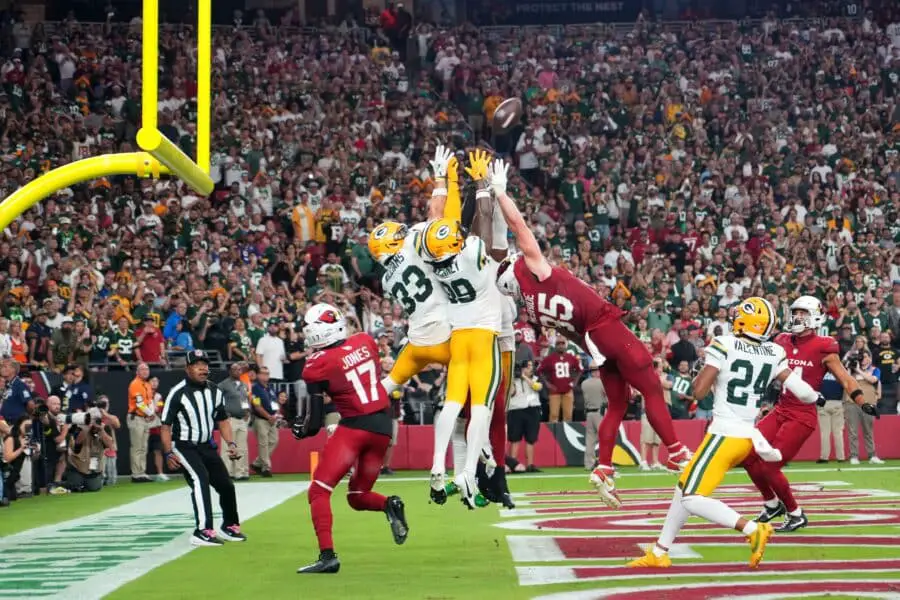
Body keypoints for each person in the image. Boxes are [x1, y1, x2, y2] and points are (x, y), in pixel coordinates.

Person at [489, 160, 691, 508]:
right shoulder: (535, 272)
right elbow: (518, 225)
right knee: (651, 387)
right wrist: (500, 193)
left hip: (592, 342)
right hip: (605, 329)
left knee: (618, 404)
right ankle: (676, 452)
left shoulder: (531, 308)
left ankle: (604, 466)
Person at [627, 297, 820, 570]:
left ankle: (752, 529)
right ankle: (660, 551)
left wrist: (703, 372)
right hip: (747, 435)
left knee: (692, 497)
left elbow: (698, 392)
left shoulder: (725, 344)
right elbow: (805, 393)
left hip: (724, 434)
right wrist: (818, 397)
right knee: (684, 487)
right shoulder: (774, 352)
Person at [292, 303, 408, 574]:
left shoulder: (316, 364)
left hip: (355, 427)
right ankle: (389, 504)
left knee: (319, 490)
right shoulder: (365, 341)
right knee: (357, 496)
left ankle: (327, 556)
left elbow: (314, 422)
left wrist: (301, 430)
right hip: (382, 427)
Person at [745, 296, 877, 533]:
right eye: (795, 312)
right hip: (780, 408)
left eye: (803, 313)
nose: (797, 317)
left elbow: (845, 378)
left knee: (770, 466)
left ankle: (795, 514)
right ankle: (772, 504)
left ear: (815, 317)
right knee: (746, 453)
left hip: (801, 415)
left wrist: (861, 401)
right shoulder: (781, 340)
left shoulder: (824, 346)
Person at [416, 147, 502, 508]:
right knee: (480, 405)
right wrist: (482, 184)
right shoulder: (469, 253)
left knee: (452, 403)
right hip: (482, 335)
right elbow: (484, 222)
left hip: (458, 336)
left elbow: (436, 220)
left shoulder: (431, 258)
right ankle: (467, 472)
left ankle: (438, 463)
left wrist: (444, 179)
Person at [160, 349, 246, 547]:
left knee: (226, 484)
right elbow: (165, 426)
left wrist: (231, 443)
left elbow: (222, 420)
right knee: (200, 480)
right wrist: (168, 452)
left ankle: (229, 525)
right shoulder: (177, 392)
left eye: (205, 365)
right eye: (197, 365)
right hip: (184, 446)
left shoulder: (215, 390)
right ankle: (202, 530)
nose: (202, 369)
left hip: (206, 445)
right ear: (187, 368)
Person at [844, 350, 883, 465]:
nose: (863, 359)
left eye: (866, 357)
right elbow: (845, 381)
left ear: (870, 358)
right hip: (852, 403)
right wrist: (850, 368)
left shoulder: (875, 370)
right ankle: (854, 456)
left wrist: (858, 370)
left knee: (868, 431)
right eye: (862, 357)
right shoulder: (851, 369)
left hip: (868, 403)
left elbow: (872, 379)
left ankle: (872, 456)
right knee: (853, 431)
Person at [506, 360, 542, 472]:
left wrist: (524, 377)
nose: (531, 368)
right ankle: (513, 465)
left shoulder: (535, 378)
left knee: (531, 439)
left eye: (531, 366)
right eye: (528, 366)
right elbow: (511, 393)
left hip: (532, 410)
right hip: (516, 410)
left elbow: (537, 387)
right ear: (522, 368)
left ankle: (530, 465)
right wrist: (512, 378)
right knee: (515, 439)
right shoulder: (512, 380)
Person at [218, 362, 252, 480]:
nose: (238, 371)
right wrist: (223, 413)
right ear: (230, 371)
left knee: (242, 447)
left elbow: (244, 399)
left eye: (239, 370)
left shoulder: (243, 384)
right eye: (235, 369)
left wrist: (247, 411)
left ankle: (241, 472)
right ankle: (227, 472)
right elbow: (217, 400)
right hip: (229, 419)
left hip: (242, 419)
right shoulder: (223, 385)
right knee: (227, 446)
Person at [538, 338, 582, 423]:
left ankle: (567, 431)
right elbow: (540, 370)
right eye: (558, 344)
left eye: (562, 343)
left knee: (568, 416)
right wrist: (547, 383)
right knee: (553, 415)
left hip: (568, 390)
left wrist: (575, 382)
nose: (561, 346)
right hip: (554, 391)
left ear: (565, 345)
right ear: (555, 346)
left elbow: (580, 370)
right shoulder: (549, 358)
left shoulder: (571, 357)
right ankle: (553, 431)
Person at [126, 362, 155, 483]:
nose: (145, 371)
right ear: (137, 372)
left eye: (147, 369)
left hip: (144, 418)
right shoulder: (135, 384)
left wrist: (151, 413)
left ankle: (142, 472)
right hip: (136, 417)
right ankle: (136, 474)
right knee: (137, 447)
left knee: (144, 447)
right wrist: (150, 413)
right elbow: (139, 403)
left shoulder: (147, 384)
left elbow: (150, 401)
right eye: (142, 369)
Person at [250, 366, 280, 477]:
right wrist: (268, 417)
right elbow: (257, 406)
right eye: (263, 373)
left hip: (272, 419)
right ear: (258, 375)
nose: (266, 376)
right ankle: (266, 468)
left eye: (267, 373)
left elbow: (276, 403)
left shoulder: (270, 388)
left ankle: (257, 464)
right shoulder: (255, 388)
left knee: (274, 441)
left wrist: (275, 415)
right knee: (263, 444)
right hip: (261, 420)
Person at [2, 414, 39, 500]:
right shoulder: (11, 438)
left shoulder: (26, 439)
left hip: (14, 477)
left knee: (12, 497)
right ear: (19, 425)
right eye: (26, 426)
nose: (28, 428)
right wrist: (21, 448)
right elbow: (7, 459)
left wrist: (36, 451)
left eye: (29, 426)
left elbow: (32, 458)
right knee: (7, 497)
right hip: (7, 475)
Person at [581, 361, 607, 470]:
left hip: (589, 413)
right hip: (600, 413)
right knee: (605, 438)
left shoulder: (584, 383)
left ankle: (589, 464)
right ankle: (605, 463)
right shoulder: (602, 382)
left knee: (590, 440)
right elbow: (607, 397)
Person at [817, 371, 845, 463]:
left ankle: (824, 457)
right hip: (837, 403)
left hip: (823, 403)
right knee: (838, 432)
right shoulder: (840, 374)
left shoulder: (820, 374)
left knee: (825, 433)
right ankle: (841, 457)